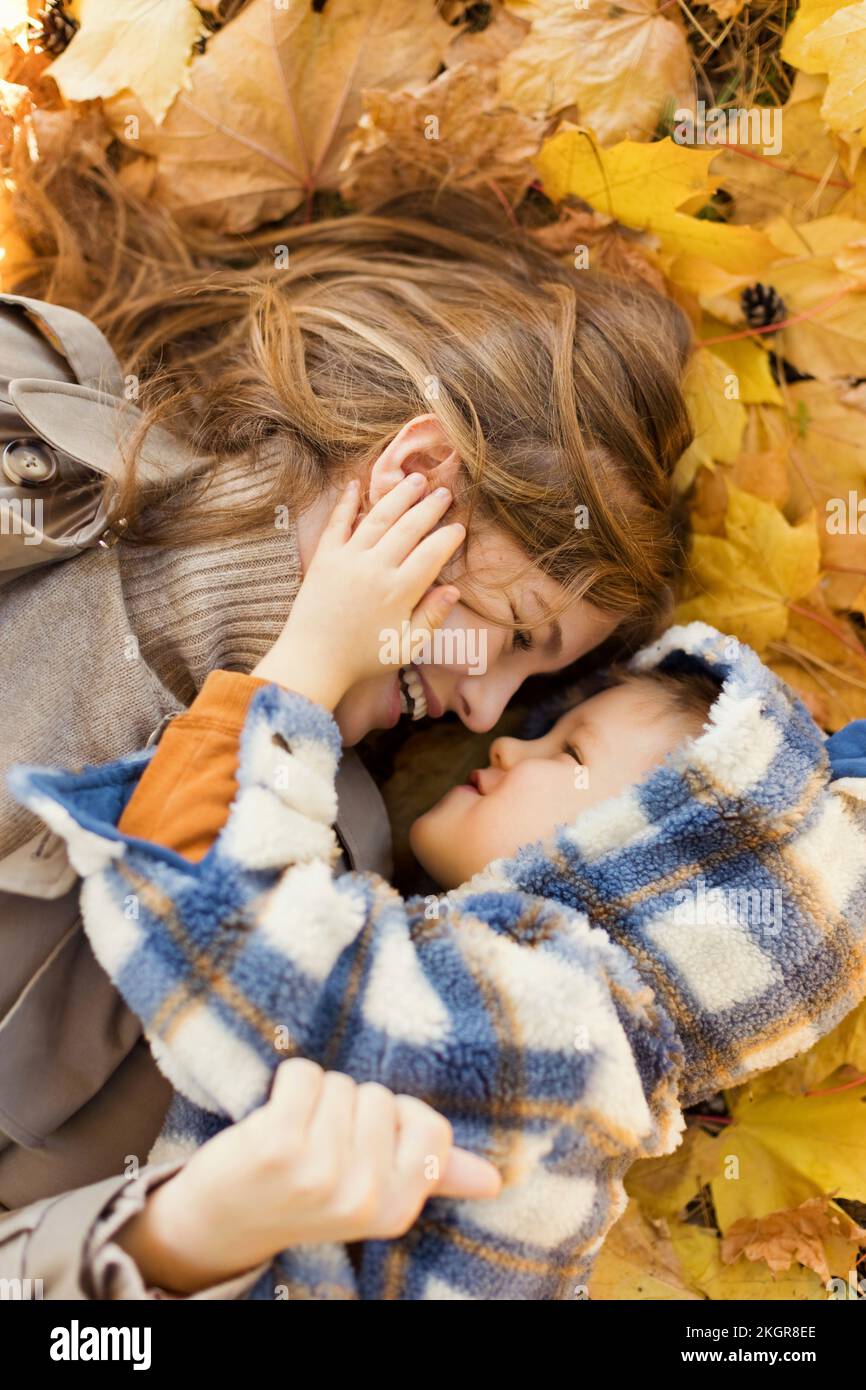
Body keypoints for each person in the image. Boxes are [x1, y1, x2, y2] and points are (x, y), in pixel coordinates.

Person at [0, 179, 693, 1297]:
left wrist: (180, 1242)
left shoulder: (312, 870)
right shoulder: (32, 412)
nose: (481, 712)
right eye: (512, 632)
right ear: (412, 478)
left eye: (532, 683)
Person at [15, 483, 866, 1298]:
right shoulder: (560, 1044)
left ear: (647, 878)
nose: (502, 742)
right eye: (542, 728)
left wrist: (304, 670)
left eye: (567, 751)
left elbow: (215, 922)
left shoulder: (555, 1036)